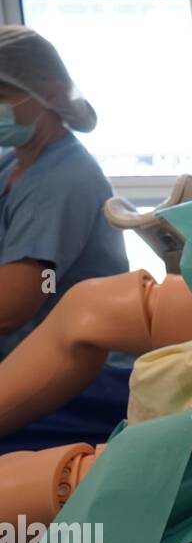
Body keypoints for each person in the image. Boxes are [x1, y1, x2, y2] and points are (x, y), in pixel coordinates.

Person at [0, 26, 126, 359]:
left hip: (77, 371)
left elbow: (10, 308)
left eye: (0, 96)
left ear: (50, 95)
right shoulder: (12, 164)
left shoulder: (66, 179)